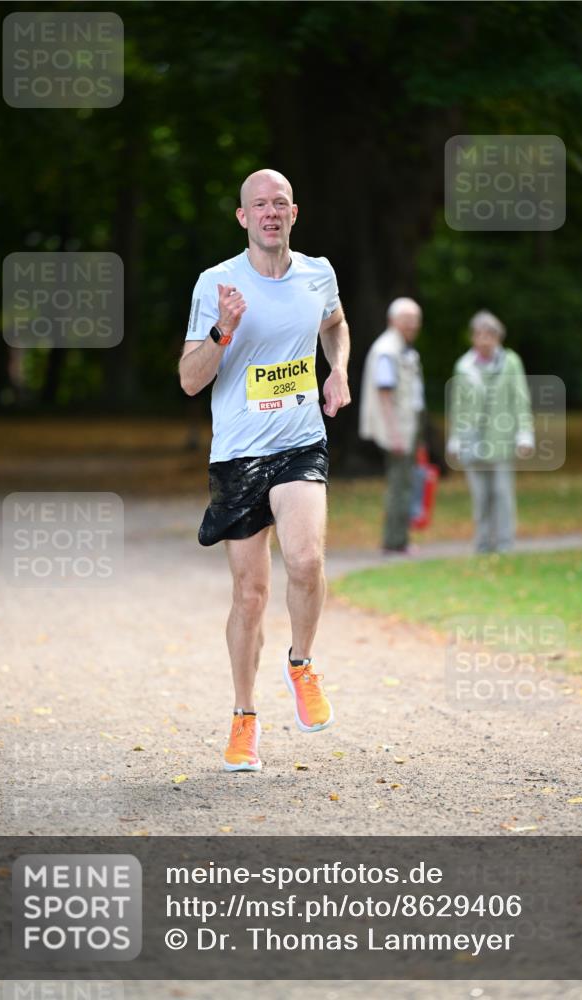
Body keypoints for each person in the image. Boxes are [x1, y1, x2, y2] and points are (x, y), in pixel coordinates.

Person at [179, 169, 351, 772]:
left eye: (280, 203)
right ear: (243, 217)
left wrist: (338, 370)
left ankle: (301, 664)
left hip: (301, 441)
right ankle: (244, 718)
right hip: (238, 454)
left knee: (305, 560)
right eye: (260, 205)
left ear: (294, 214)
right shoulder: (216, 283)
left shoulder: (318, 274)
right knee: (250, 595)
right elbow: (190, 379)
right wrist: (223, 328)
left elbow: (334, 324)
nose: (271, 212)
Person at [446, 310, 534, 554]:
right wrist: (454, 438)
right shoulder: (463, 366)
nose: (484, 340)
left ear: (498, 338)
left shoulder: (511, 362)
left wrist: (525, 433)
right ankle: (483, 543)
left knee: (502, 493)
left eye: (489, 335)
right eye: (479, 335)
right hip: (472, 440)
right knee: (480, 496)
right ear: (473, 337)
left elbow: (520, 399)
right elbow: (458, 405)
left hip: (501, 439)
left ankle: (505, 544)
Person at [359, 297, 425, 553]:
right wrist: (395, 433)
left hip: (407, 426)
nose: (412, 325)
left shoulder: (402, 348)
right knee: (400, 485)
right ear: (392, 320)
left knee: (405, 483)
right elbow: (384, 394)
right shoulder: (387, 350)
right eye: (407, 319)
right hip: (398, 430)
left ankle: (400, 540)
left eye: (415, 320)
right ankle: (394, 543)